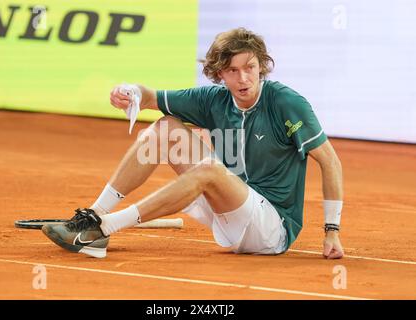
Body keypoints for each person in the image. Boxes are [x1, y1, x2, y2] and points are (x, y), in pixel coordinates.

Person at [42, 27, 344, 260]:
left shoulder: (286, 102)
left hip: (270, 228)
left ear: (261, 66)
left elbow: (330, 161)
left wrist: (332, 231)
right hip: (227, 211)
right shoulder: (213, 99)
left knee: (209, 170)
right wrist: (129, 91)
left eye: (250, 67)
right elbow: (150, 97)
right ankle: (93, 217)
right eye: (233, 70)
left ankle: (105, 228)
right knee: (164, 128)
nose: (244, 78)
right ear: (220, 73)